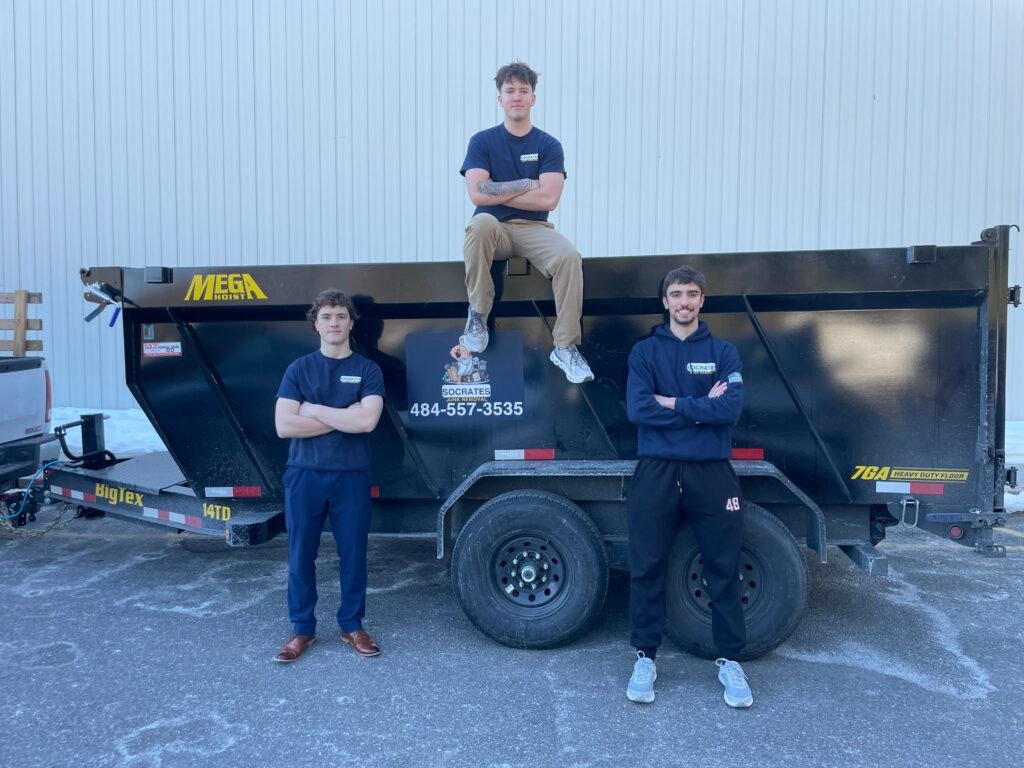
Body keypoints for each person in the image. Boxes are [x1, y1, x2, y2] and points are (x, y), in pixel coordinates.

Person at [624, 266, 753, 708]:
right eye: (676, 294)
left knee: (723, 568)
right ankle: (645, 657)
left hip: (711, 472)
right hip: (656, 470)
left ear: (702, 301)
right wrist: (702, 407)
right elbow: (639, 410)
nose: (684, 302)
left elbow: (731, 409)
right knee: (646, 566)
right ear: (665, 302)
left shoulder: (723, 351)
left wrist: (673, 402)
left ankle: (730, 661)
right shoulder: (644, 352)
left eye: (692, 294)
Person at [459, 61, 593, 384]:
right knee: (479, 225)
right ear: (499, 98)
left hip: (535, 229)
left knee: (569, 257)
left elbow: (549, 199)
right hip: (494, 229)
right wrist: (524, 183)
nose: (516, 97)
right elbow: (477, 194)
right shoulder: (483, 142)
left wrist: (498, 189)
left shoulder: (548, 145)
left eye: (523, 91)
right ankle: (477, 315)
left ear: (534, 98)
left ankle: (564, 346)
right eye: (510, 91)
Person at [273, 289, 385, 662]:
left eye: (340, 316)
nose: (334, 323)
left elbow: (367, 421)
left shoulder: (368, 370)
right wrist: (342, 417)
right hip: (304, 475)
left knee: (353, 554)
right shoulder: (298, 369)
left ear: (352, 323)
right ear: (315, 324)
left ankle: (352, 625)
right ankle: (301, 630)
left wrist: (315, 410)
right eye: (326, 317)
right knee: (300, 554)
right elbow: (285, 426)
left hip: (351, 475)